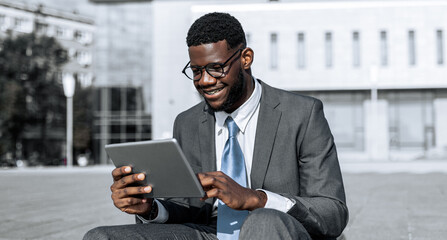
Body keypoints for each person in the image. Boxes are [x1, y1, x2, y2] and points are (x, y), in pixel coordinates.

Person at [84, 12, 348, 240]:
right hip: (207, 232)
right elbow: (187, 207)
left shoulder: (302, 113)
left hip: (280, 232)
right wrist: (149, 208)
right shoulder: (187, 123)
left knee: (263, 222)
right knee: (100, 236)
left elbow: (332, 212)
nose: (205, 81)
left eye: (216, 68)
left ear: (245, 58)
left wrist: (257, 199)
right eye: (196, 71)